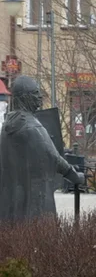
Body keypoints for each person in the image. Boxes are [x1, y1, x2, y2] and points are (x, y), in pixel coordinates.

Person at [0, 76, 84, 223]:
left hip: (13, 201)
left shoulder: (7, 126)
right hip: (35, 201)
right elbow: (54, 157)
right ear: (25, 98)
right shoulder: (32, 127)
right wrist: (74, 176)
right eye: (36, 93)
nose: (39, 97)